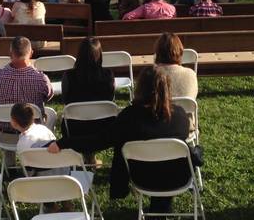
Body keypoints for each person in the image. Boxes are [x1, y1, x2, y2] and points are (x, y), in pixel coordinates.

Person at [48, 66, 191, 213]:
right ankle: (161, 207)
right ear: (167, 88)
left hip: (142, 177)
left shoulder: (129, 117)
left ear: (140, 88)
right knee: (164, 159)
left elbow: (98, 141)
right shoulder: (180, 116)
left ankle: (158, 207)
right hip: (178, 177)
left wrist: (64, 142)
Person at [0, 37, 55, 138]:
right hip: (31, 132)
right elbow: (48, 96)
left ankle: (8, 153)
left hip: (3, 131)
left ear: (10, 53)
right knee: (51, 114)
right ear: (31, 53)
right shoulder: (41, 79)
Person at [61, 37, 115, 105]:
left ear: (79, 54)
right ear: (99, 55)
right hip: (104, 115)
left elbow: (64, 99)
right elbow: (111, 98)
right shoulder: (108, 74)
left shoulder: (68, 76)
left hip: (76, 115)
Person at [153, 32, 197, 99]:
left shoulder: (150, 75)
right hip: (184, 109)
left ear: (157, 52)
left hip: (158, 109)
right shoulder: (191, 75)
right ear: (180, 51)